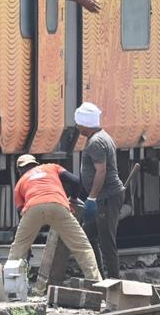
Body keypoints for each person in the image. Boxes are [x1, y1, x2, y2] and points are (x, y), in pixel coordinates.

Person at [8, 154, 102, 281]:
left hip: (33, 208)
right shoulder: (51, 167)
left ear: (19, 170)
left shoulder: (19, 183)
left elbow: (22, 214)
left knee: (18, 249)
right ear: (36, 164)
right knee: (82, 246)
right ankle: (95, 281)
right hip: (58, 205)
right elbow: (75, 181)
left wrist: (27, 242)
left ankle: (9, 284)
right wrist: (72, 199)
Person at [75, 102, 124, 279]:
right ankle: (99, 278)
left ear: (85, 124)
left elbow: (101, 171)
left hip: (106, 198)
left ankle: (113, 280)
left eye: (79, 123)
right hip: (104, 197)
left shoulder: (96, 142)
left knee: (106, 241)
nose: (77, 126)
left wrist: (92, 199)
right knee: (90, 237)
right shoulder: (101, 136)